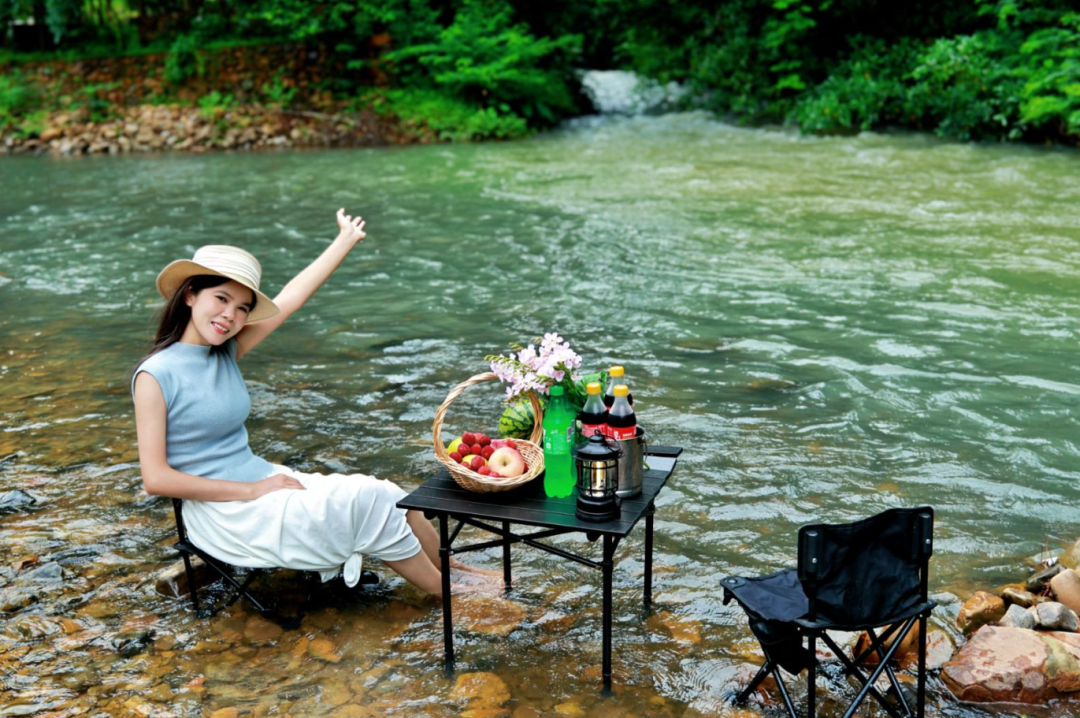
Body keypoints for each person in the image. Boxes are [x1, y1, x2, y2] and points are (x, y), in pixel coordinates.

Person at [132, 209, 483, 597]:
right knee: (368, 503)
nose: (230, 316)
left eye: (243, 307)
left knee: (390, 494)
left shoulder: (225, 351)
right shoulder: (155, 375)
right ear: (190, 295)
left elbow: (291, 299)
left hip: (262, 481)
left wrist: (344, 240)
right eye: (221, 298)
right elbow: (156, 479)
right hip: (225, 510)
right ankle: (452, 596)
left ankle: (455, 570)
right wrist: (254, 490)